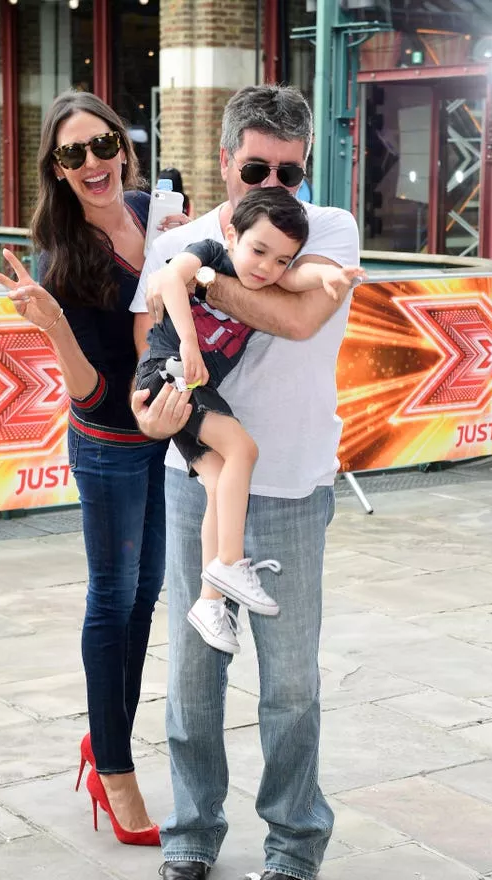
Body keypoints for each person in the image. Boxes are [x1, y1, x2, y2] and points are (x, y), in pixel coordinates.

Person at [130, 84, 360, 880]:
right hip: (197, 476)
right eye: (256, 166)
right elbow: (146, 340)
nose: (275, 183)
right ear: (227, 162)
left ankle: (294, 842)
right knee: (195, 673)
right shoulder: (189, 237)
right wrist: (153, 405)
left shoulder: (323, 227)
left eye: (289, 171)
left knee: (291, 682)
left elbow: (297, 323)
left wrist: (198, 274)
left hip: (295, 483)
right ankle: (192, 833)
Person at [0, 90, 189, 847]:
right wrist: (58, 325)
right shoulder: (60, 258)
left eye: (103, 144)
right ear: (58, 170)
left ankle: (104, 744)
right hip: (107, 443)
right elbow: (95, 393)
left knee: (146, 597)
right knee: (113, 598)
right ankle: (116, 772)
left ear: (123, 146)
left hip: (164, 436)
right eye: (74, 155)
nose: (94, 163)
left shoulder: (154, 210)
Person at [135, 188, 364, 655]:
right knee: (244, 450)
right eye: (258, 251)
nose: (265, 268)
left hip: (191, 387)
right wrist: (189, 345)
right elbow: (171, 282)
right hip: (170, 375)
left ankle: (210, 601)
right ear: (232, 235)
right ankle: (230, 563)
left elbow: (300, 278)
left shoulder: (269, 280)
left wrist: (332, 276)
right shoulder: (210, 253)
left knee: (220, 484)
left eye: (279, 260)